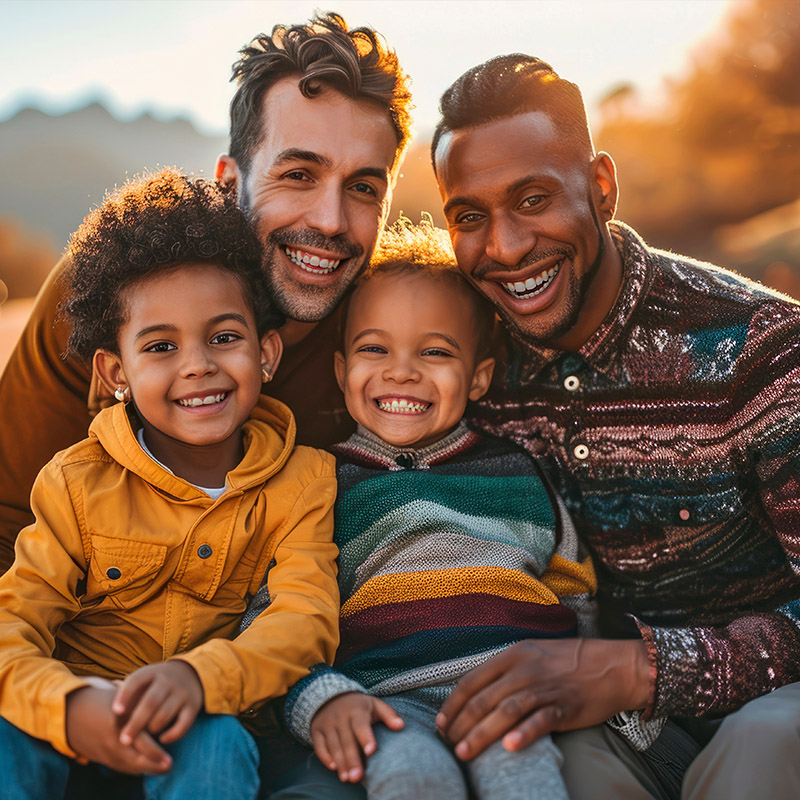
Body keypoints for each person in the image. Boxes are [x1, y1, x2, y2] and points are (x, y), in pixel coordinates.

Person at [431, 54, 800, 799]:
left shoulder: (762, 348)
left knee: (764, 746)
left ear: (600, 187)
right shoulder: (467, 368)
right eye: (469, 216)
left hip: (772, 704)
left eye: (533, 199)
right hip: (612, 718)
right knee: (543, 756)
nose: (503, 247)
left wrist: (642, 667)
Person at [0, 11, 411, 570]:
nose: (333, 220)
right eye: (297, 175)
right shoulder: (107, 296)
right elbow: (9, 525)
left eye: (363, 187)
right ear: (228, 180)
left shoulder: (402, 326)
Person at [0, 170, 340, 799]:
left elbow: (303, 619)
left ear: (266, 353)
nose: (197, 365)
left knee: (220, 744)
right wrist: (66, 704)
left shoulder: (304, 483)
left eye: (224, 337)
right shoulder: (76, 482)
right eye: (160, 346)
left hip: (202, 717)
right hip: (77, 715)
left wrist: (200, 679)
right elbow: (13, 621)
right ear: (115, 371)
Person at [281, 220, 601, 800]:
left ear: (478, 379)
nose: (402, 370)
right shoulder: (318, 485)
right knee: (412, 782)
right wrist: (323, 700)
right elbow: (278, 622)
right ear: (340, 370)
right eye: (374, 349)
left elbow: (573, 589)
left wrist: (577, 675)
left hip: (511, 696)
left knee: (526, 783)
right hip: (391, 704)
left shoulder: (520, 472)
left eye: (434, 352)